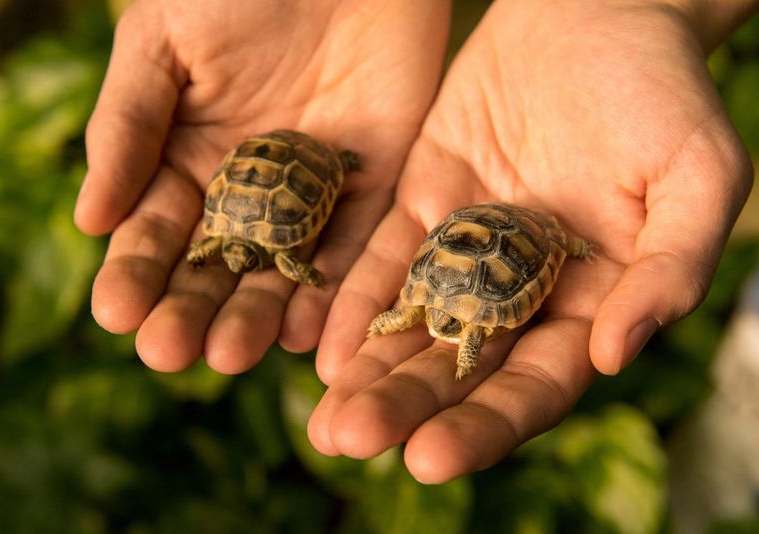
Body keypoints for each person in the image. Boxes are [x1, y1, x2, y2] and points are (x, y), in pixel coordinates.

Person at [74, 0, 757, 484]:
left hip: (510, 196)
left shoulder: (460, 319)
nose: (236, 258)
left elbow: (457, 331)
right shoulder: (256, 246)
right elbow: (407, 310)